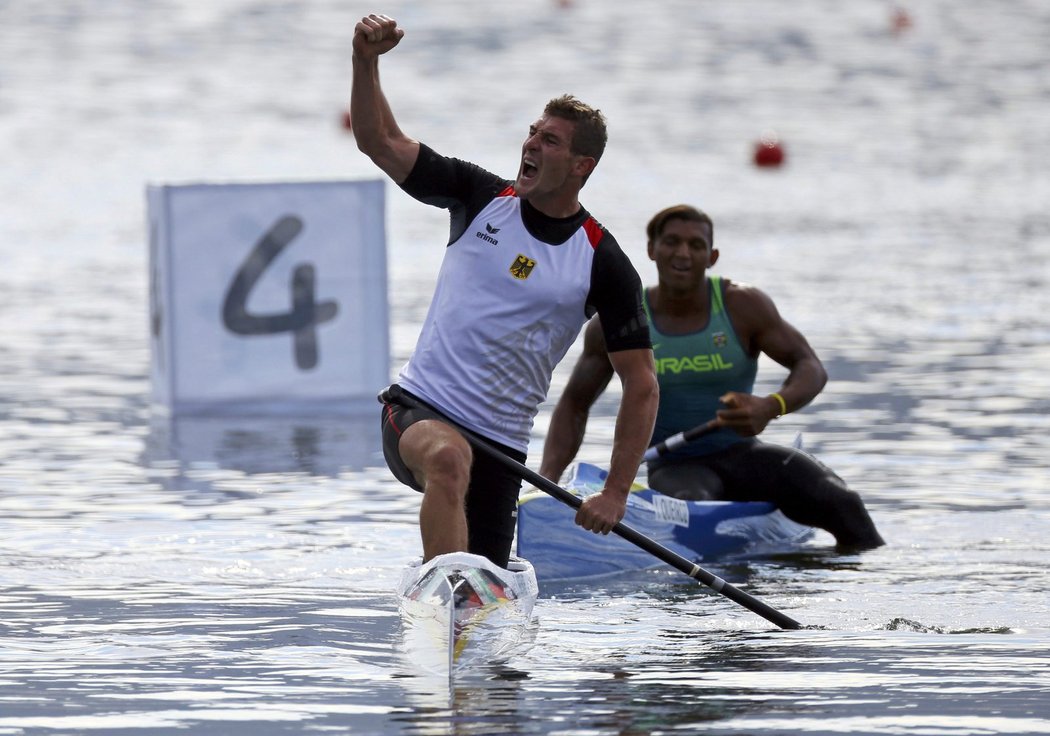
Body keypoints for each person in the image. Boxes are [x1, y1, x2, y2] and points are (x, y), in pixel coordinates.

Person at [350, 14, 659, 568]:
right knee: (447, 458)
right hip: (418, 411)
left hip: (502, 451)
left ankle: (470, 610)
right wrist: (365, 61)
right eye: (533, 132)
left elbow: (641, 385)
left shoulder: (604, 262)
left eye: (551, 140)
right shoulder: (477, 196)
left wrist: (615, 492)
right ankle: (444, 594)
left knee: (488, 600)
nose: (532, 144)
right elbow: (380, 141)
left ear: (581, 165)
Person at [539, 204, 885, 550]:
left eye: (696, 245)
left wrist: (771, 405)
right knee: (693, 508)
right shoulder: (619, 322)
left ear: (712, 256)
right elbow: (574, 404)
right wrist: (547, 484)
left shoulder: (742, 306)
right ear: (651, 250)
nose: (683, 254)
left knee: (845, 504)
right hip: (675, 465)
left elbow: (810, 366)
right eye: (672, 242)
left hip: (743, 454)